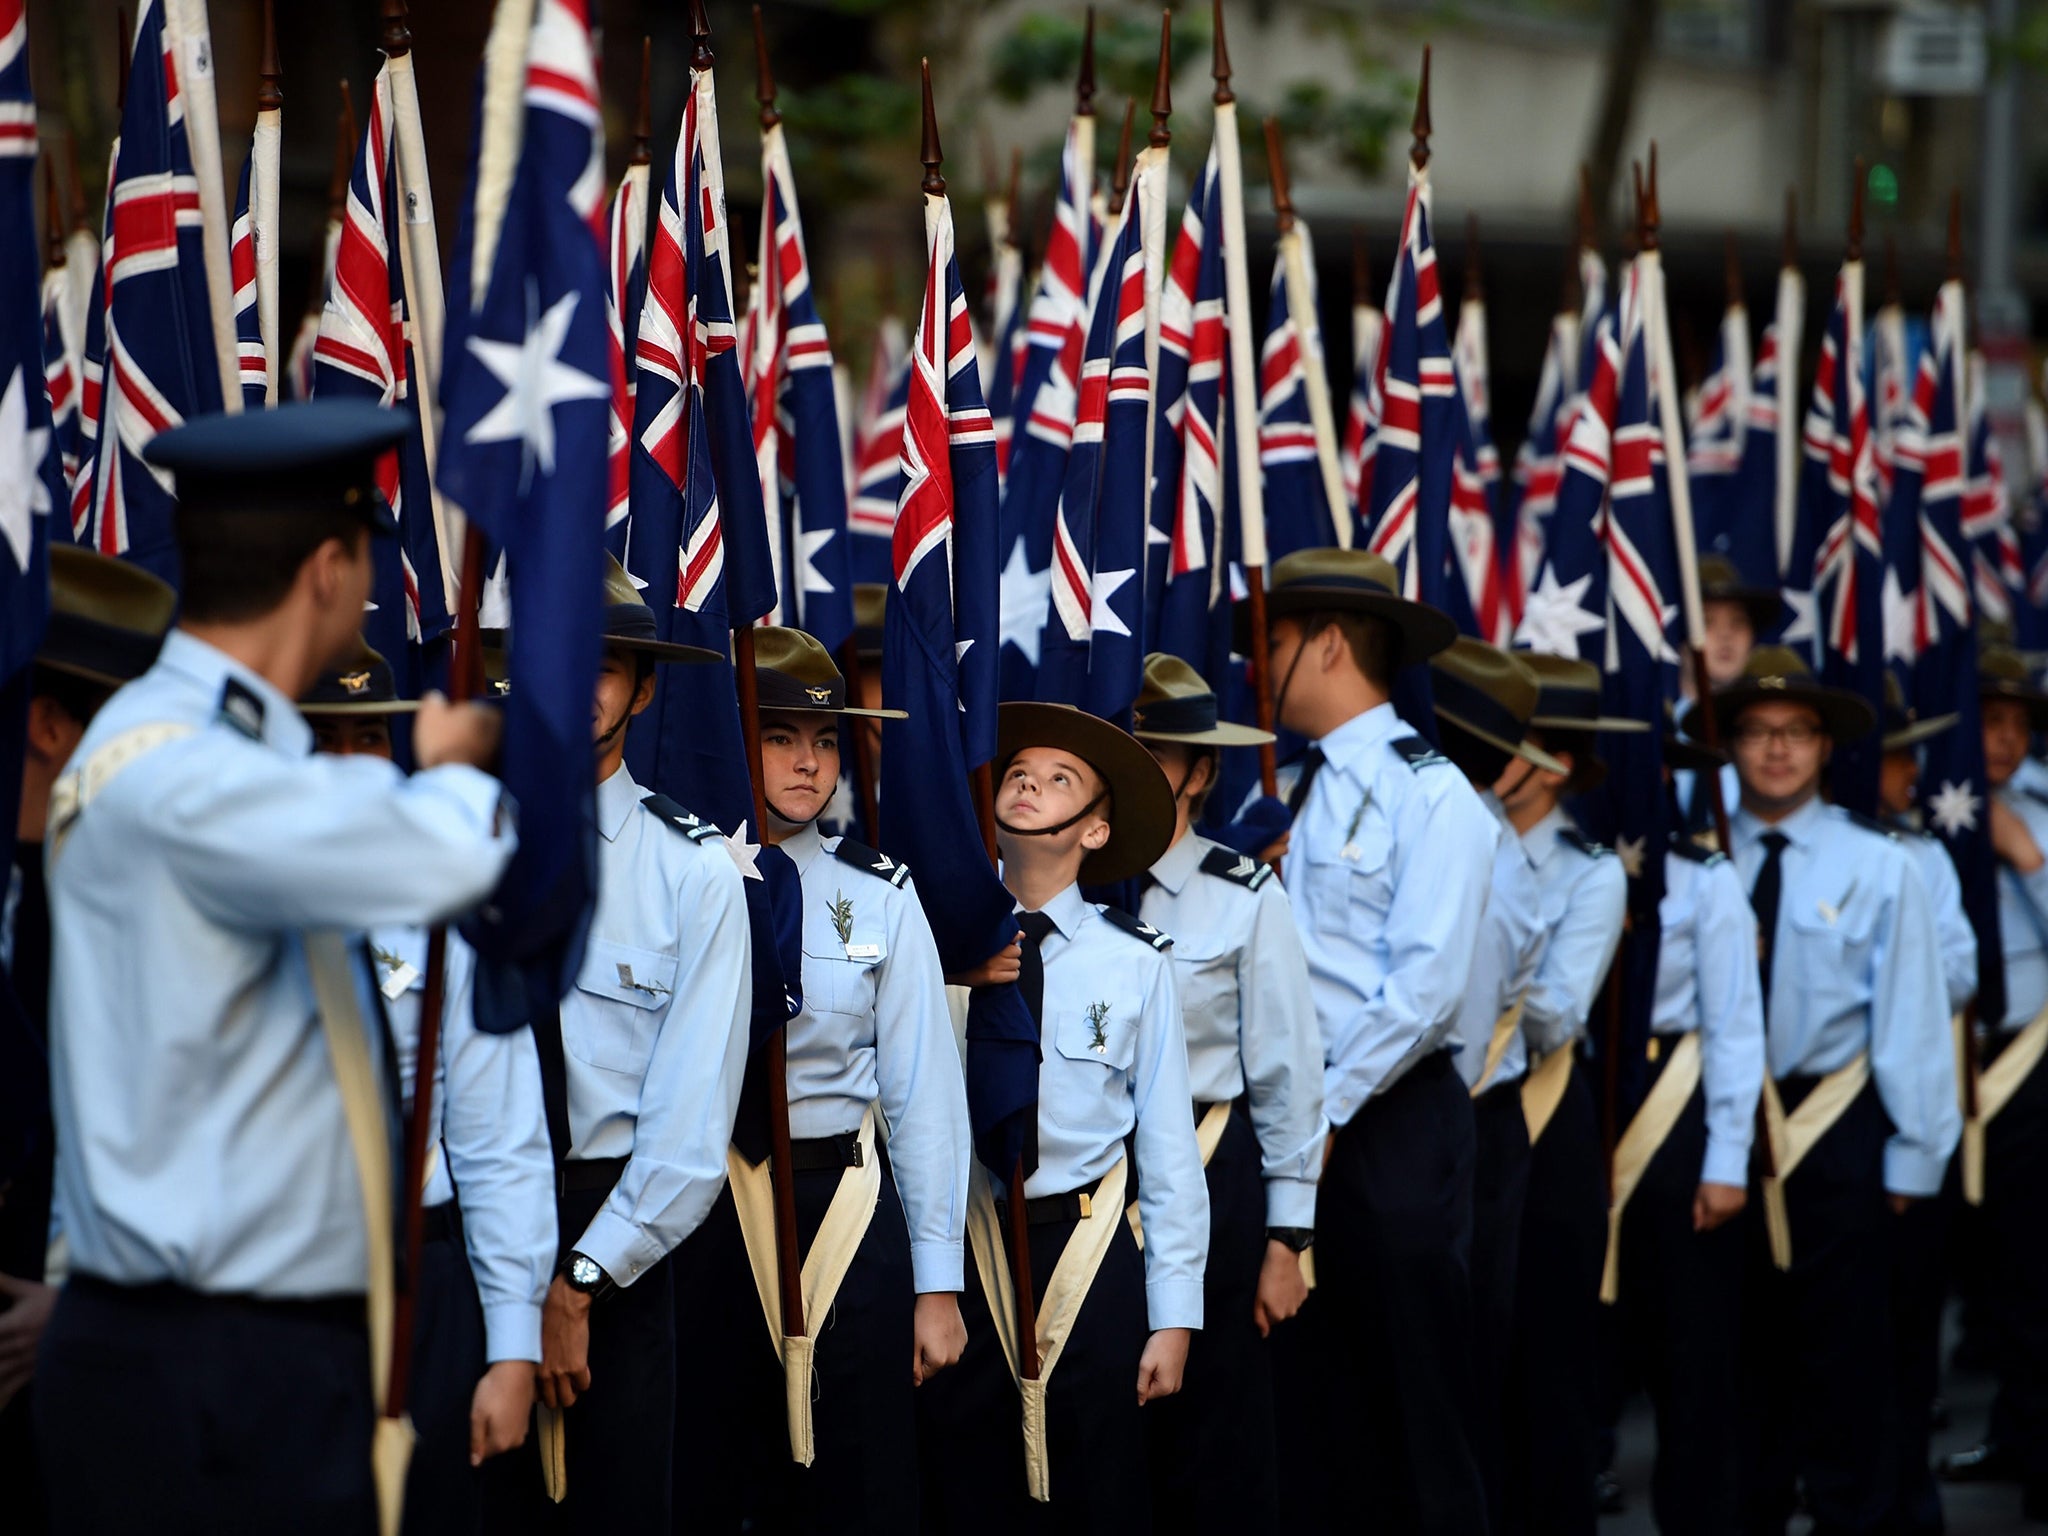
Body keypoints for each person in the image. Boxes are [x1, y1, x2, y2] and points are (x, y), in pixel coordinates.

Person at [34, 400, 516, 1533]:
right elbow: (446, 852)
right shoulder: (183, 770)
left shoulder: (214, 749)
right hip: (205, 1372)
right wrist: (447, 766)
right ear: (328, 570)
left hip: (241, 1361)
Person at [670, 626, 970, 1534]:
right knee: (720, 1476)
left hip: (845, 1207)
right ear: (737, 737)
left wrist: (937, 1282)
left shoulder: (880, 894)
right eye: (781, 736)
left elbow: (923, 1097)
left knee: (860, 1478)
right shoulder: (683, 876)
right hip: (713, 1203)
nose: (809, 762)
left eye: (826, 739)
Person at [481, 555, 752, 1534]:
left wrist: (582, 1280)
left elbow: (689, 1123)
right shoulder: (462, 837)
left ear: (641, 688)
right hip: (470, 1220)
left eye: (608, 666)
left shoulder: (692, 872)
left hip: (619, 1230)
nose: (581, 684)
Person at [1682, 645, 1958, 1535]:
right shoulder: (1694, 858)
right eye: (1756, 732)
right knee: (1735, 1363)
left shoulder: (1881, 863)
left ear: (1824, 745)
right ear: (1727, 744)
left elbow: (1913, 1019)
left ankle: (1853, 1515)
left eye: (1796, 732)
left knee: (1848, 1363)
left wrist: (1914, 1160)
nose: (1775, 751)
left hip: (1834, 1123)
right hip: (1718, 1121)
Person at [918, 700, 1208, 1535]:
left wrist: (1174, 1315)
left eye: (1058, 780)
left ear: (1093, 830)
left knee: (1101, 1484)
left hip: (1088, 1246)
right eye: (1017, 774)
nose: (1029, 786)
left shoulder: (1135, 961)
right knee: (972, 1483)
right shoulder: (938, 942)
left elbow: (1166, 1148)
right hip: (970, 1247)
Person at [1255, 548, 1497, 1535]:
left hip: (1381, 1118)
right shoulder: (1280, 786)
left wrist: (1321, 1113)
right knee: (1312, 1406)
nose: (1255, 663)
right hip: (1294, 1121)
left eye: (1271, 641)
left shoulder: (1430, 792)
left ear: (1323, 643)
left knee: (1415, 1401)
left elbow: (1424, 992)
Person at [301, 641, 556, 1534]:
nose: (349, 765)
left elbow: (497, 1138)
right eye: (321, 737)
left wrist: (513, 1347)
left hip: (426, 1273)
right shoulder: (236, 896)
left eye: (370, 737)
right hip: (284, 1283)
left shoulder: (441, 899)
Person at [0, 546, 176, 1531]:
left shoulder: (158, 912)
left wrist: (82, 1309)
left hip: (100, 1372)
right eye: (139, 726)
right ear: (50, 724)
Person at [1129, 653, 1324, 1536]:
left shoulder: (1243, 898)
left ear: (1201, 771)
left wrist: (1287, 1239)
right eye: (1125, 743)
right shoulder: (1062, 885)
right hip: (1095, 1191)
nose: (1137, 764)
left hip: (1217, 1172)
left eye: (1159, 752)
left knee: (1220, 1434)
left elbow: (1287, 1074)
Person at [1600, 727, 1763, 1536]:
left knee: (1692, 1360)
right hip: (1588, 1102)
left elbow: (1734, 1025)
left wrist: (1728, 1159)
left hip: (1676, 1104)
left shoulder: (1705, 880)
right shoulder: (1575, 863)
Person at [1424, 638, 1565, 1531]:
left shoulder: (1474, 846)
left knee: (1459, 1348)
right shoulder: (1482, 833)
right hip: (1466, 1115)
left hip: (1465, 1117)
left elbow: (1462, 1032)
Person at [1498, 652, 1632, 1536]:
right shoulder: (1459, 834)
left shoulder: (1590, 871)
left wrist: (1468, 964)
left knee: (1547, 1343)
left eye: (1508, 743)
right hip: (1467, 1110)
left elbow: (1556, 1015)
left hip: (1546, 1115)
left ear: (1551, 764)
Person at [1942, 644, 2048, 1522]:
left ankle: (2036, 1438)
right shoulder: (1934, 812)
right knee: (1953, 1260)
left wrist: (2030, 860)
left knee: (2030, 1263)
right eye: (1989, 721)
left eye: (2018, 724)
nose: (2005, 738)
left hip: (2030, 1054)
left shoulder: (2041, 813)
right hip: (1945, 1054)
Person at [1872, 673, 1976, 1536]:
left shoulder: (1921, 856)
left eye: (1909, 756)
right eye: (1892, 756)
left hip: (1895, 1099)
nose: (1906, 772)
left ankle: (1905, 1500)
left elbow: (1961, 971)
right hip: (1786, 1120)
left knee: (1900, 1328)